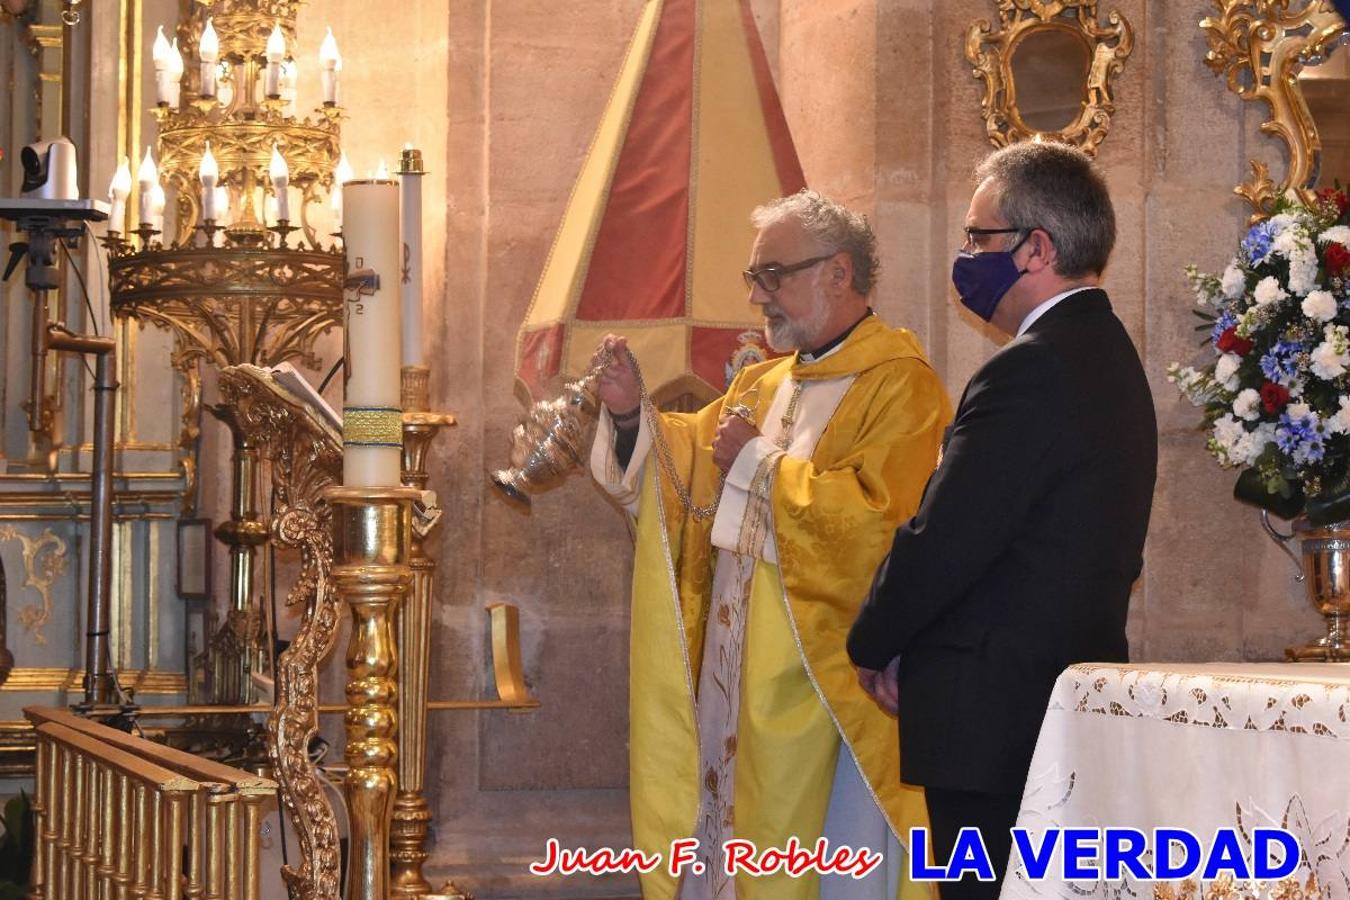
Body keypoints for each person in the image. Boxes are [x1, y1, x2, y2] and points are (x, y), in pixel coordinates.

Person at [590, 190, 951, 900]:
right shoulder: (764, 383)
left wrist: (758, 463)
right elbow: (688, 473)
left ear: (838, 274)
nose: (759, 297)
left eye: (773, 275)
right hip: (738, 676)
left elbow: (881, 523)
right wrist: (634, 416)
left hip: (824, 691)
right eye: (754, 278)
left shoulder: (899, 384)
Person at [847, 142, 1158, 899]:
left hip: (995, 717)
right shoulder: (1108, 354)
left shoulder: (1031, 367)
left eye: (978, 237)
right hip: (1056, 703)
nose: (965, 257)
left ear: (1037, 248)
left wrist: (875, 641)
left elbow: (949, 537)